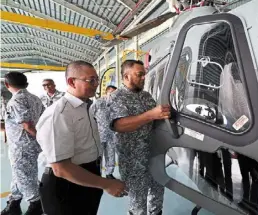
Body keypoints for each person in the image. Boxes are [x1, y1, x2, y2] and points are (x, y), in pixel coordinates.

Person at [36, 61, 127, 215]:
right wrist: (106, 184)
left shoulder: (87, 107)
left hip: (87, 177)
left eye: (97, 80)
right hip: (66, 185)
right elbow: (61, 168)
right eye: (91, 80)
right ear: (71, 81)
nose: (96, 84)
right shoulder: (59, 114)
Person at [107, 60, 170, 215]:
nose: (143, 78)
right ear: (126, 76)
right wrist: (150, 115)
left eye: (144, 74)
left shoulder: (146, 96)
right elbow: (120, 125)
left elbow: (157, 120)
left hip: (154, 155)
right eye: (139, 74)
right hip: (133, 161)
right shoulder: (116, 97)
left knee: (157, 195)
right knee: (138, 203)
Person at [1, 72, 44, 215]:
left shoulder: (16, 101)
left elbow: (27, 125)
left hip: (22, 146)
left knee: (25, 175)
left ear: (7, 85)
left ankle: (36, 204)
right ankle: (14, 203)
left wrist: (41, 139)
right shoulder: (36, 99)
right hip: (29, 146)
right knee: (19, 175)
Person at [91, 85, 118, 179]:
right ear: (106, 92)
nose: (113, 95)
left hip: (112, 135)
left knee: (111, 155)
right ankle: (97, 175)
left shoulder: (117, 105)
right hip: (99, 135)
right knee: (98, 155)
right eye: (111, 92)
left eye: (115, 93)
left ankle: (109, 173)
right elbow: (91, 116)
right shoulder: (98, 102)